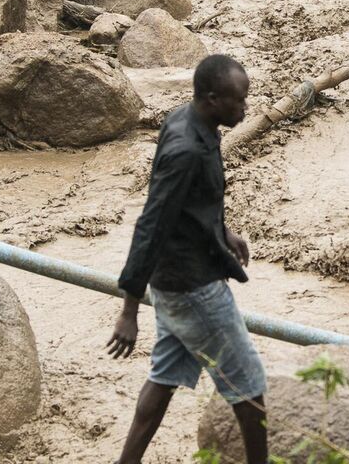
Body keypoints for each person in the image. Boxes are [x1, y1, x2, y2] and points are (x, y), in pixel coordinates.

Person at [108, 54, 267, 464]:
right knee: (250, 389)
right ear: (212, 98)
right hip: (194, 288)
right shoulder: (185, 149)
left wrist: (221, 230)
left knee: (164, 376)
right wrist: (129, 309)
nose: (245, 109)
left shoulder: (192, 121)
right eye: (238, 101)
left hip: (174, 282)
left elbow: (191, 201)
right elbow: (151, 223)